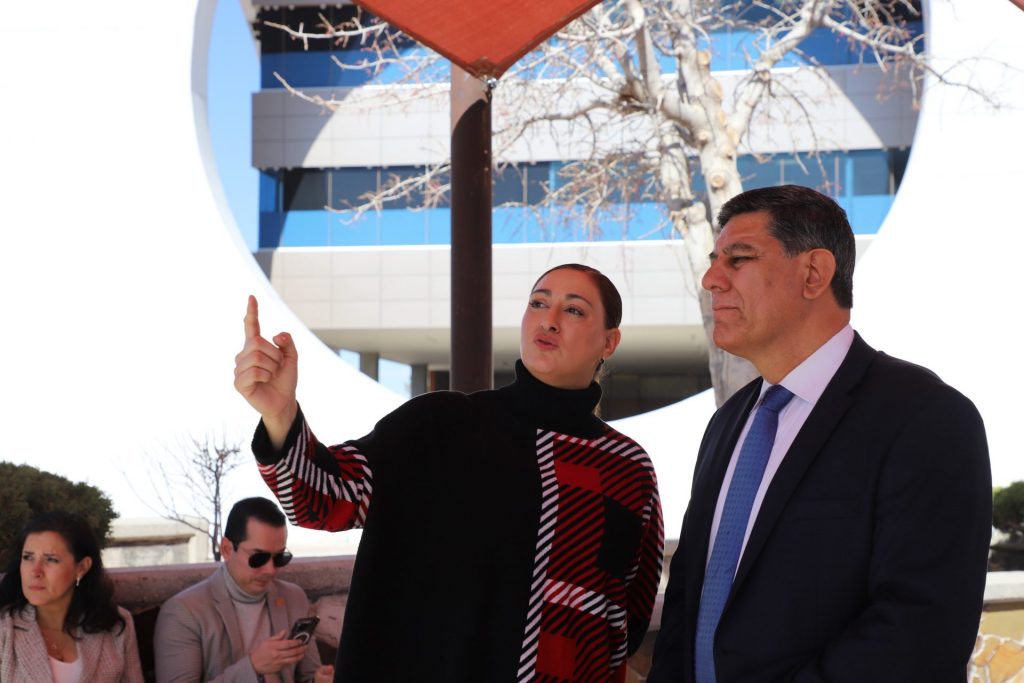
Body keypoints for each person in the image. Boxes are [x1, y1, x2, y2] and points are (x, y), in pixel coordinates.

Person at [234, 263, 664, 682]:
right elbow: (321, 498)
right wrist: (280, 415)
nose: (548, 320)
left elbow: (629, 617)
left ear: (609, 342)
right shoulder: (439, 426)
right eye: (538, 303)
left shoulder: (627, 469)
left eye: (573, 310)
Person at [648, 185, 992, 683]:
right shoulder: (727, 424)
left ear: (813, 273)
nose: (711, 279)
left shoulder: (927, 417)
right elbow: (686, 599)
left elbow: (921, 628)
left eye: (738, 259)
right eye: (713, 261)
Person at [154, 497, 331, 683]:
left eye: (280, 558)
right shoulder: (184, 611)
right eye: (258, 558)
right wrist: (253, 667)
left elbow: (308, 675)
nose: (270, 570)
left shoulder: (293, 597)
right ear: (227, 549)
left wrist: (319, 680)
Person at [0, 510, 144, 683]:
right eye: (28, 557)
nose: (35, 571)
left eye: (51, 559)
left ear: (82, 567)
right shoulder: (5, 629)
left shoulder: (116, 625)